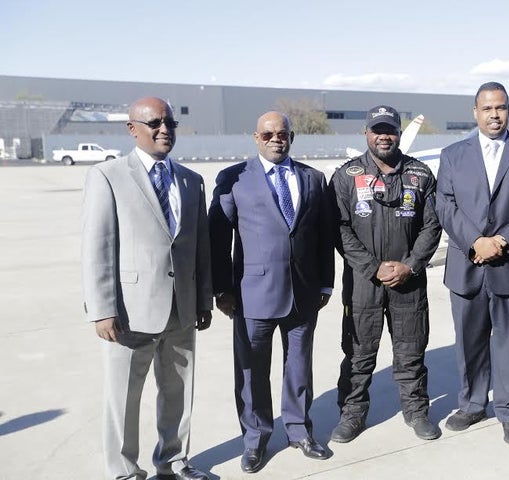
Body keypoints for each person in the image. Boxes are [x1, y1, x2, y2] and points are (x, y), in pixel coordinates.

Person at [81, 97, 213, 480]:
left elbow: (199, 245)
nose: (164, 129)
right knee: (123, 398)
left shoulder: (191, 180)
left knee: (178, 393)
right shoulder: (108, 176)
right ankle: (124, 471)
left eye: (170, 122)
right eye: (154, 122)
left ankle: (173, 463)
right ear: (132, 128)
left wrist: (203, 299)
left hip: (182, 308)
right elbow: (97, 246)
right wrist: (102, 309)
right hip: (129, 312)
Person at [208, 111, 335, 474]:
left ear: (292, 138)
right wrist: (221, 290)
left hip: (304, 293)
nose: (276, 139)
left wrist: (325, 282)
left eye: (283, 134)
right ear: (256, 137)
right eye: (268, 134)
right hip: (252, 296)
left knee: (299, 367)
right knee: (252, 372)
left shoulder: (312, 178)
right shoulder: (235, 178)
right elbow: (219, 237)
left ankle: (298, 429)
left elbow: (324, 237)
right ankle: (255, 438)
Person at [329, 105, 442, 443]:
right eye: (377, 129)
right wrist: (373, 267)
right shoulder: (346, 176)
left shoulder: (420, 174)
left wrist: (410, 265)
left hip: (409, 282)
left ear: (398, 133)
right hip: (364, 283)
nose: (384, 136)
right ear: (366, 133)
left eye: (390, 130)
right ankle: (352, 414)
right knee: (359, 352)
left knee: (411, 351)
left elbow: (432, 225)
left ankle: (416, 411)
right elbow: (340, 229)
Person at [435, 82, 509, 445]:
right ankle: (473, 404)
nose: (495, 115)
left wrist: (503, 240)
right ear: (475, 112)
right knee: (469, 343)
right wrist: (476, 241)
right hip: (467, 266)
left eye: (502, 108)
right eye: (488, 108)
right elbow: (445, 204)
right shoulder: (452, 155)